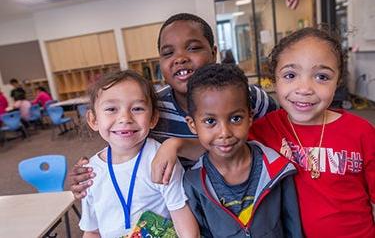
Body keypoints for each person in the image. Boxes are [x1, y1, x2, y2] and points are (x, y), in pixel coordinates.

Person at [69, 13, 278, 198]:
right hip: (181, 205)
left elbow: (283, 139)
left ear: (213, 53)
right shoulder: (152, 108)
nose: (179, 59)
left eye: (193, 48)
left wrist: (177, 144)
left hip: (250, 197)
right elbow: (123, 149)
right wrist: (92, 172)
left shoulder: (248, 97)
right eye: (168, 53)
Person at [248, 27, 375, 237]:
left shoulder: (362, 132)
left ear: (338, 81)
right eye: (290, 75)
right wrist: (175, 144)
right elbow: (220, 142)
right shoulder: (263, 130)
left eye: (322, 77)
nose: (305, 88)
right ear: (274, 80)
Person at [182, 63, 302, 237]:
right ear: (192, 125)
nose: (224, 133)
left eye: (236, 118)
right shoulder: (193, 183)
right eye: (210, 121)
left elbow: (293, 227)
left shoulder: (278, 169)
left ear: (250, 117)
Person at [78, 70, 199, 238]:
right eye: (111, 109)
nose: (125, 118)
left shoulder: (160, 158)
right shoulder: (90, 171)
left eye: (137, 108)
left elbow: (181, 213)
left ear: (153, 118)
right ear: (94, 120)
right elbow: (92, 230)